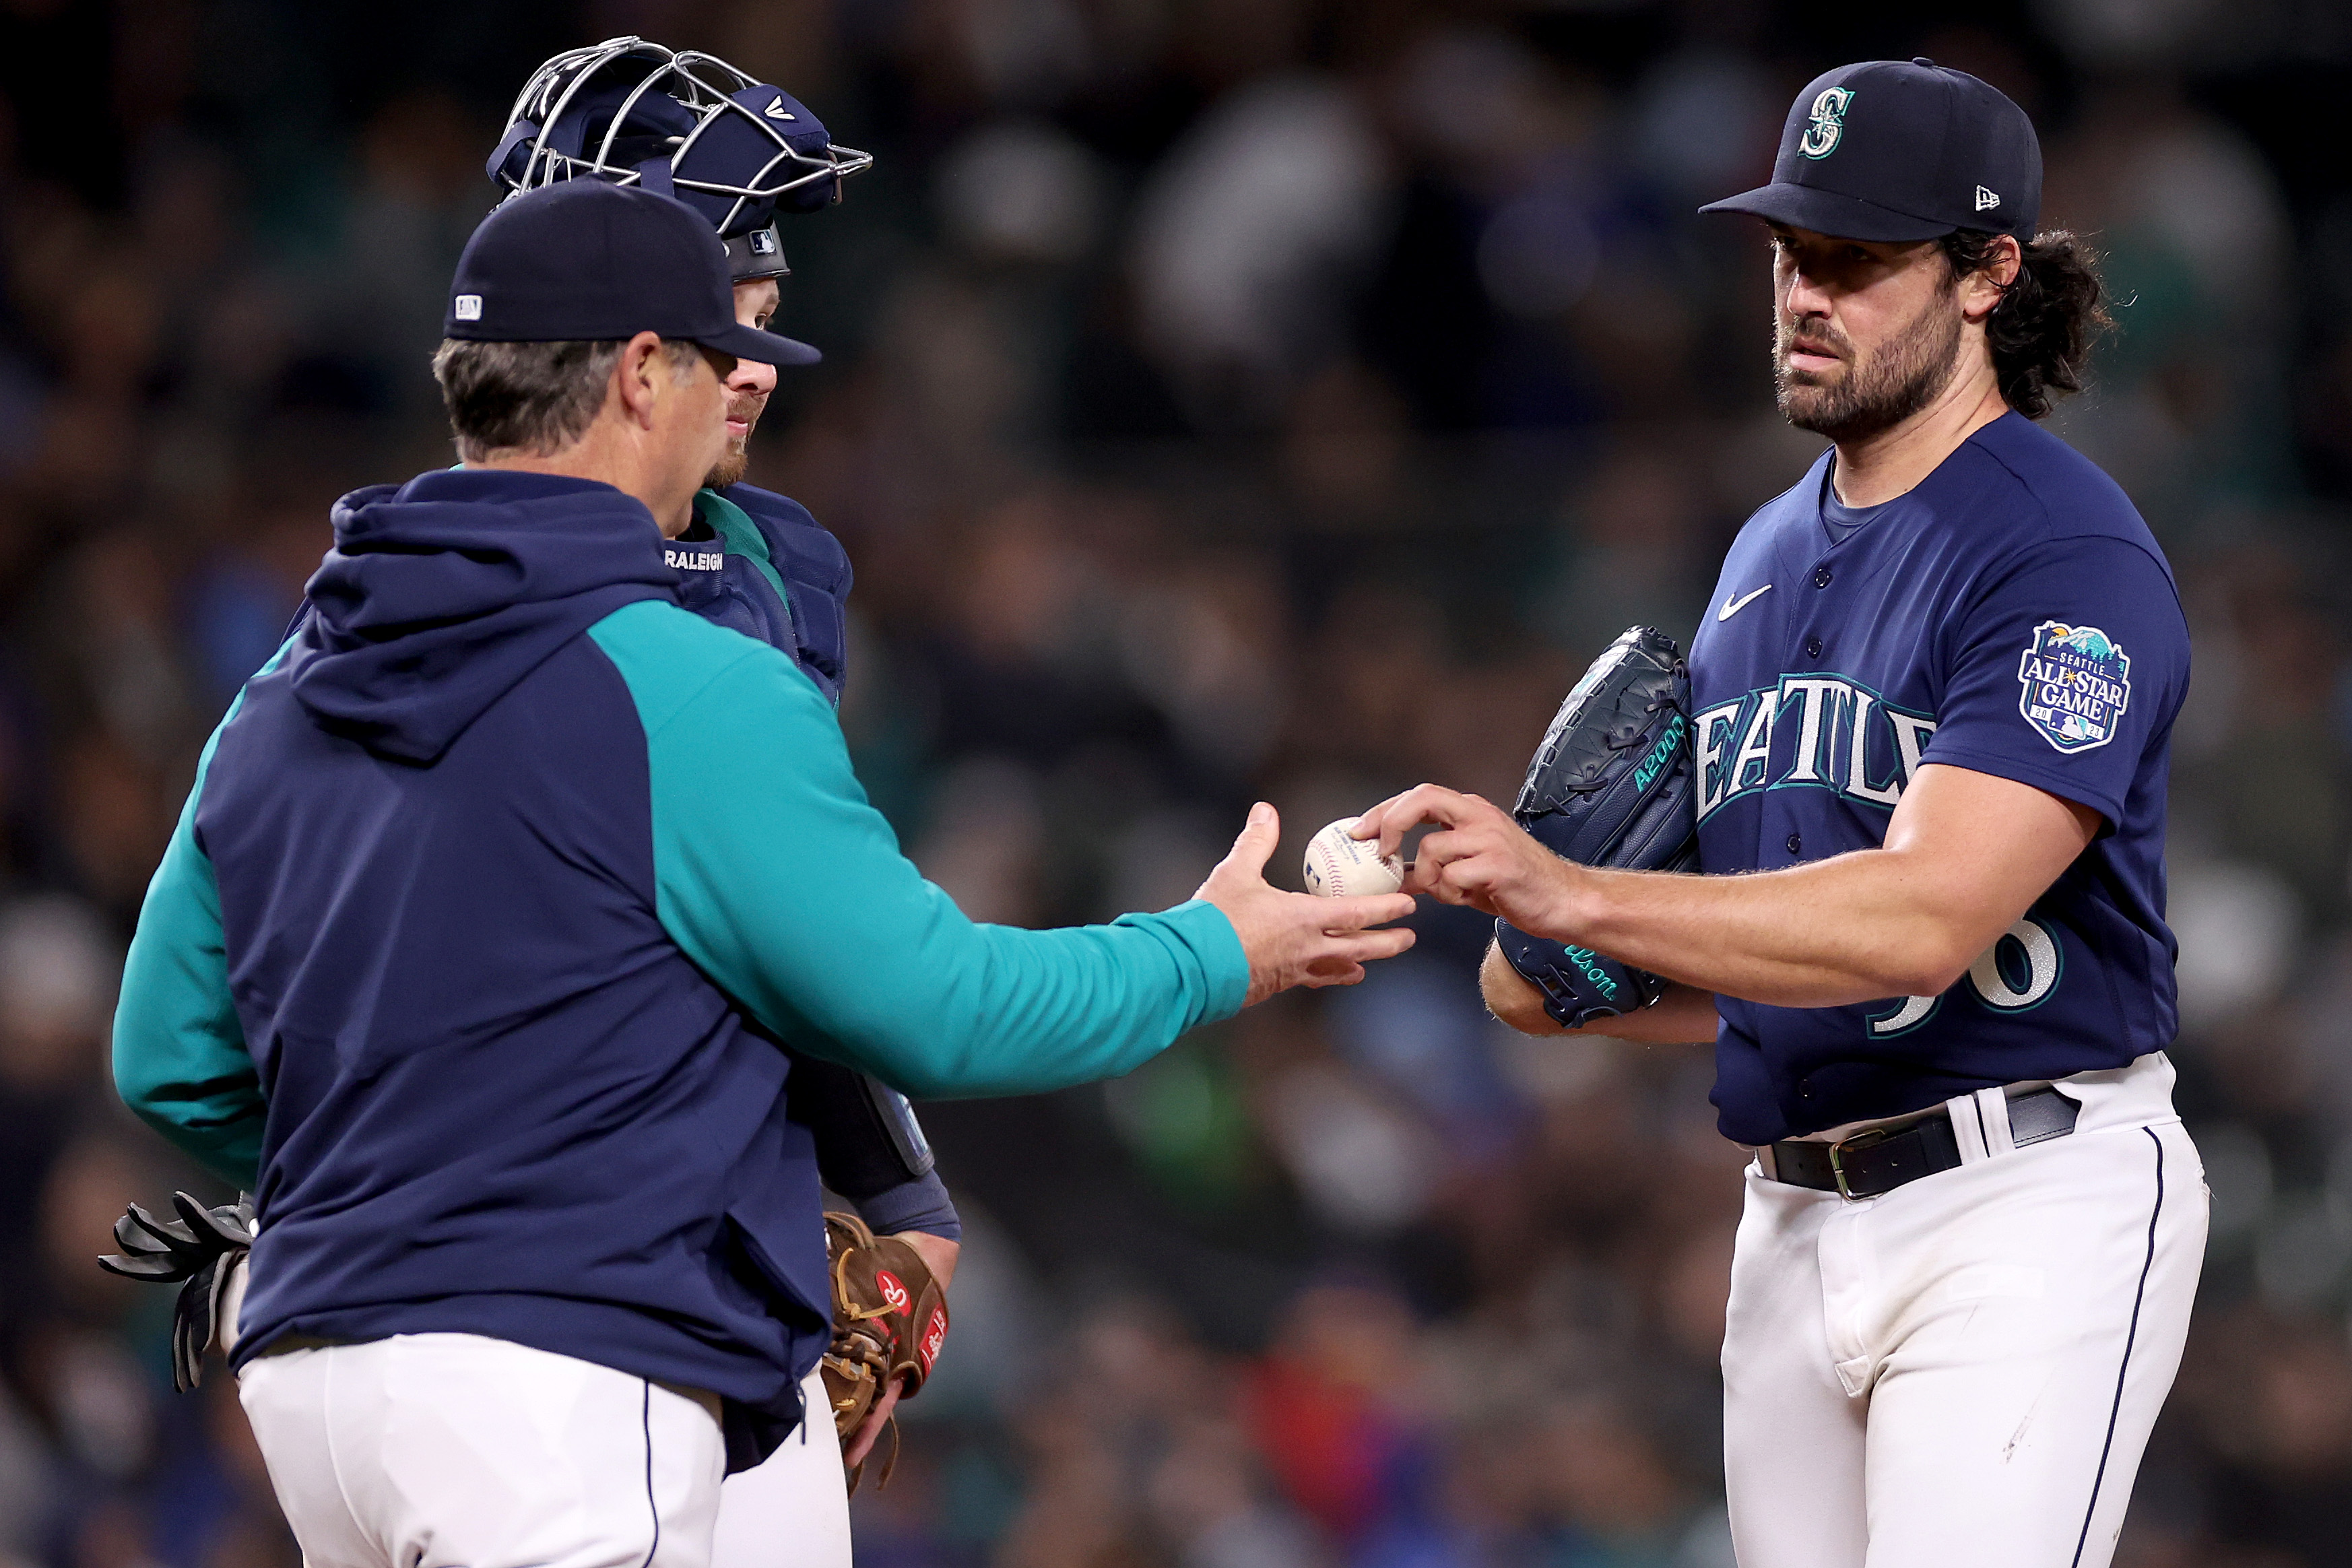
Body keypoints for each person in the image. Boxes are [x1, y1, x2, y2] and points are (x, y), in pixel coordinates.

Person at [110, 178, 1414, 1568]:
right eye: (718, 356)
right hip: (561, 1373)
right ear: (639, 373)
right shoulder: (681, 682)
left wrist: (410, 1181)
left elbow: (168, 1058)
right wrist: (1215, 948)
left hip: (321, 1385)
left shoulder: (284, 689)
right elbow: (943, 1007)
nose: (744, 387)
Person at [1355, 59, 2202, 1568]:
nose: (1808, 293)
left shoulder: (2066, 550)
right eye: (1790, 254)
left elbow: (1927, 918)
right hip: (1794, 1220)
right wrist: (1559, 971)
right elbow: (1775, 965)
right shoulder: (1758, 555)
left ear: (1986, 277)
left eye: (1860, 260)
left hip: (2026, 1199)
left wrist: (1580, 898)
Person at [488, 40, 954, 1556]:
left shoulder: (774, 565)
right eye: (720, 312)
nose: (756, 358)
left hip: (719, 1247)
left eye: (769, 311)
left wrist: (899, 1193)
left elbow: (787, 934)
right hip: (522, 1258)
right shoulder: (420, 588)